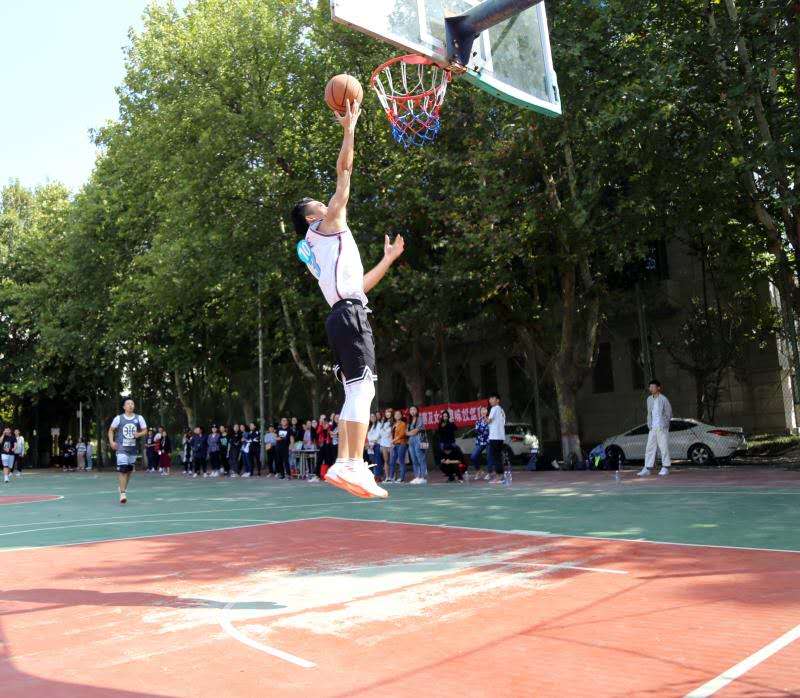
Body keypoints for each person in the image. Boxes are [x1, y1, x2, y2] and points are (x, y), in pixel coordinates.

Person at [291, 98, 404, 499]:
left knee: (356, 390)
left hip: (343, 315)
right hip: (350, 318)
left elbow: (359, 286)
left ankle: (347, 462)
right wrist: (349, 128)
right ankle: (350, 463)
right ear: (312, 218)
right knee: (362, 390)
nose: (328, 204)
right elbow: (344, 172)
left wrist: (387, 260)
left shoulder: (317, 250)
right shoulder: (325, 227)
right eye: (319, 206)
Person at [108, 399, 148, 504]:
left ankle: (122, 488)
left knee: (129, 470)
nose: (130, 405)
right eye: (128, 404)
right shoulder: (118, 418)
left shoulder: (139, 418)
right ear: (124, 407)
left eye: (132, 404)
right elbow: (111, 430)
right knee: (122, 469)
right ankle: (123, 493)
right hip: (121, 448)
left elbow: (145, 430)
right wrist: (112, 442)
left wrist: (139, 434)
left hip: (133, 448)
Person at [638, 379, 673, 477]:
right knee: (649, 447)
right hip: (652, 428)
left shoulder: (663, 399)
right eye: (650, 387)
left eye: (653, 387)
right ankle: (647, 468)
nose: (651, 388)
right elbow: (649, 413)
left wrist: (664, 424)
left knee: (663, 447)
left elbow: (669, 413)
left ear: (658, 388)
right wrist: (649, 424)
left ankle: (665, 467)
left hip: (662, 427)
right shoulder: (649, 399)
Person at [487, 393, 506, 485]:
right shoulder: (501, 410)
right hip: (500, 436)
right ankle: (500, 476)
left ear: (498, 400)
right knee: (498, 456)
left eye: (492, 398)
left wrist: (483, 416)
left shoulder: (494, 408)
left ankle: (499, 477)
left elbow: (489, 421)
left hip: (495, 437)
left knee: (496, 457)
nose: (490, 400)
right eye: (490, 398)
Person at [407, 406, 428, 485]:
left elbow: (416, 430)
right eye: (411, 410)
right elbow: (406, 432)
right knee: (414, 458)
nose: (412, 411)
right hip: (411, 440)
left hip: (419, 439)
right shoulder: (409, 420)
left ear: (417, 411)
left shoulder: (420, 418)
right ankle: (417, 476)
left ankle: (423, 477)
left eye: (414, 409)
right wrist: (410, 433)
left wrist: (410, 433)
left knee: (420, 457)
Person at [389, 410, 408, 484]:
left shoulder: (403, 424)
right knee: (392, 461)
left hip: (401, 444)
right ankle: (391, 477)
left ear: (401, 415)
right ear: (394, 416)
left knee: (401, 461)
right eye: (396, 414)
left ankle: (402, 478)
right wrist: (392, 441)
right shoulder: (394, 424)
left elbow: (402, 434)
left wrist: (394, 440)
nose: (397, 415)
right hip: (395, 444)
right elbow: (393, 434)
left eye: (399, 414)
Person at [471, 406, 490, 480]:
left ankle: (489, 473)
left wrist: (484, 430)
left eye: (485, 410)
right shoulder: (478, 421)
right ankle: (479, 471)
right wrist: (481, 432)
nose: (483, 411)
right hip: (480, 442)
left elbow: (491, 430)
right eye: (482, 410)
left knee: (489, 457)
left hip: (488, 441)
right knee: (473, 456)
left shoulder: (490, 419)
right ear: (480, 412)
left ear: (487, 411)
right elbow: (476, 431)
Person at [378, 408, 393, 479]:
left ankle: (393, 476)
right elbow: (381, 433)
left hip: (391, 443)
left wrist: (384, 431)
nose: (387, 413)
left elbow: (388, 433)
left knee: (392, 461)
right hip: (384, 443)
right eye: (386, 412)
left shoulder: (393, 422)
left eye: (389, 412)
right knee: (386, 461)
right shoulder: (383, 422)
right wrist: (384, 431)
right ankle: (387, 477)